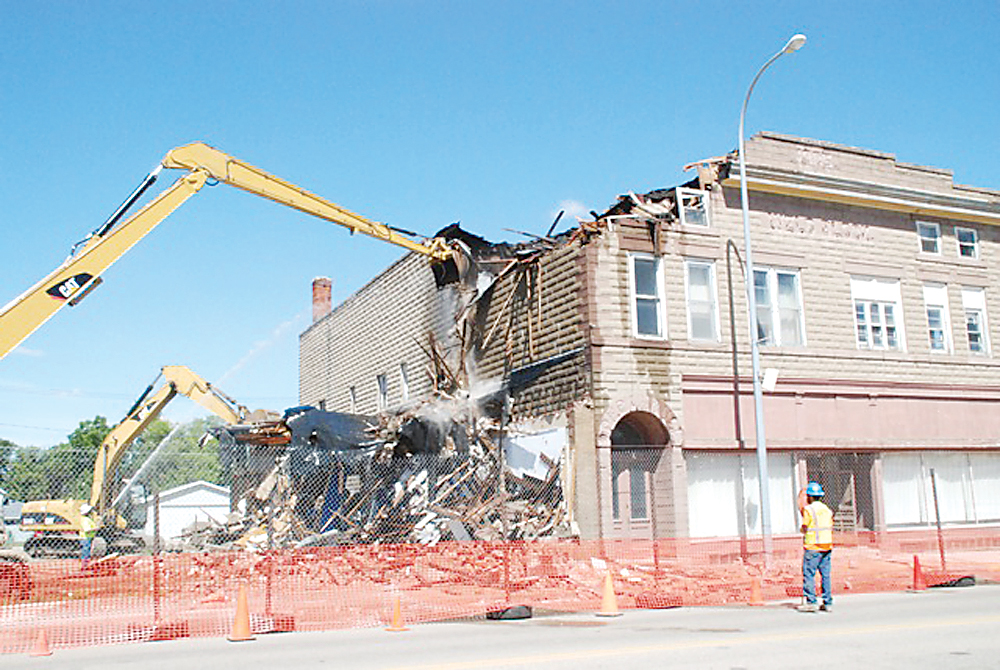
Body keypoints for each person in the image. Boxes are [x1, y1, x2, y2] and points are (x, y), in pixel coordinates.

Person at [796, 481, 833, 612]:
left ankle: (811, 601)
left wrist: (802, 530)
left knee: (809, 574)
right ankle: (827, 602)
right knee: (826, 575)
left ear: (809, 497)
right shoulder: (827, 510)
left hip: (813, 547)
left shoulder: (809, 510)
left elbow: (805, 526)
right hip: (827, 546)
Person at [78, 503, 98, 569]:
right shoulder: (85, 520)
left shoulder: (87, 519)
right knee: (85, 552)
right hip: (85, 538)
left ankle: (86, 564)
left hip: (88, 537)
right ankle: (84, 565)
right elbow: (87, 530)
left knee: (88, 551)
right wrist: (95, 528)